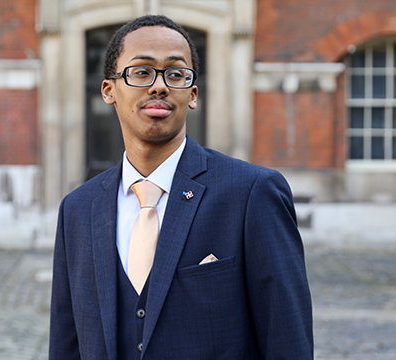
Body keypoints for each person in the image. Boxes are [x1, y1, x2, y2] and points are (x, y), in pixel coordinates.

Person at [49, 14, 313, 360]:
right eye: (141, 72)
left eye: (175, 74)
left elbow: (287, 342)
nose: (159, 86)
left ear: (192, 94)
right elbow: (67, 345)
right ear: (108, 90)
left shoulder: (251, 194)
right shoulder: (78, 209)